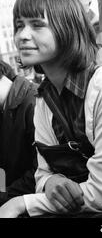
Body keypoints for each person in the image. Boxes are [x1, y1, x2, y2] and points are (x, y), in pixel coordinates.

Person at [0, 0, 102, 218]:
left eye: (37, 25)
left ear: (68, 29)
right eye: (19, 26)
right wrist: (50, 183)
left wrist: (22, 203)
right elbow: (42, 172)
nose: (22, 35)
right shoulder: (44, 98)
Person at [0, 60, 37, 205]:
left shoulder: (33, 102)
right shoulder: (5, 108)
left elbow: (43, 170)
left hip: (29, 201)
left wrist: (4, 195)